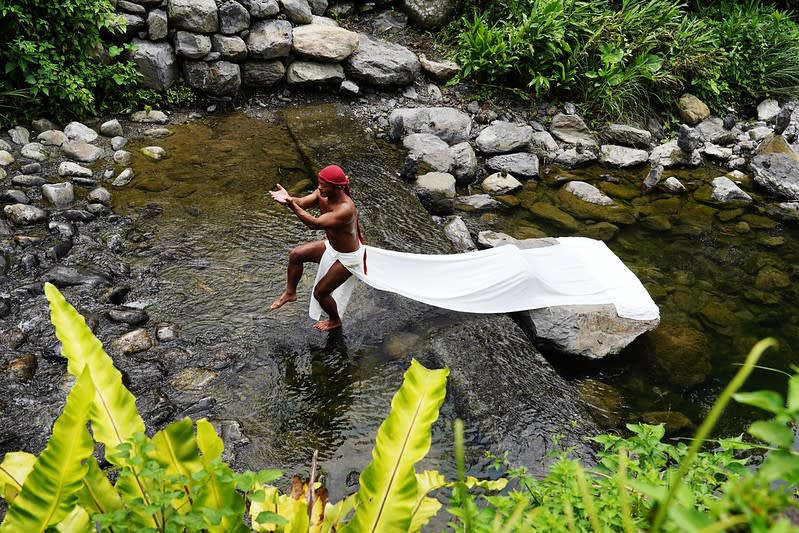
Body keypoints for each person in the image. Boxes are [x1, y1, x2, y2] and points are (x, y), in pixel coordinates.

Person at [269, 164, 365, 331]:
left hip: (348, 257)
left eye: (324, 185)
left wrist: (292, 205)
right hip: (332, 247)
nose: (319, 187)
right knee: (296, 254)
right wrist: (289, 199)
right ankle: (291, 293)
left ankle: (335, 320)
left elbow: (314, 224)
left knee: (320, 292)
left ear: (338, 187)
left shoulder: (345, 209)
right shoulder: (322, 192)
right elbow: (302, 203)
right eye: (319, 183)